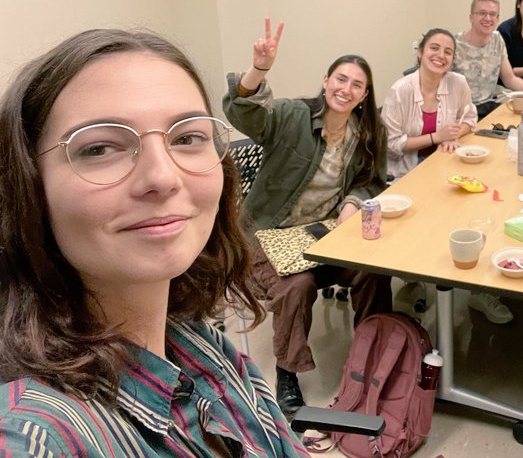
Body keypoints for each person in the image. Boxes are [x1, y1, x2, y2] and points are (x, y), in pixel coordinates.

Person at [0, 29, 308, 456]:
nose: (163, 177)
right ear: (27, 186)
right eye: (100, 148)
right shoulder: (35, 438)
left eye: (187, 138)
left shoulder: (199, 341)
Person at [223, 18, 393, 415]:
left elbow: (373, 181)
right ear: (325, 80)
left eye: (356, 84)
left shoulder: (366, 133)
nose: (345, 89)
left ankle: (374, 356)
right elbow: (244, 112)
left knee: (374, 270)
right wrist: (259, 70)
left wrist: (353, 200)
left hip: (321, 236)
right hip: (267, 237)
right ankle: (287, 372)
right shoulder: (292, 116)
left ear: (365, 95)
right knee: (297, 286)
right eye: (340, 78)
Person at [382, 28, 477, 180]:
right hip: (406, 171)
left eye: (448, 52)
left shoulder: (458, 83)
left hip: (447, 160)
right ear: (420, 52)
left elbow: (469, 119)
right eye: (434, 48)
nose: (440, 55)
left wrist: (452, 136)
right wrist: (437, 137)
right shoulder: (400, 91)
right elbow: (390, 144)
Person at [453, 0, 523, 120]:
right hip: (462, 112)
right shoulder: (453, 45)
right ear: (471, 17)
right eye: (482, 13)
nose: (488, 18)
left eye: (493, 14)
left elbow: (509, 78)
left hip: (489, 105)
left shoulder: (497, 39)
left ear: (498, 19)